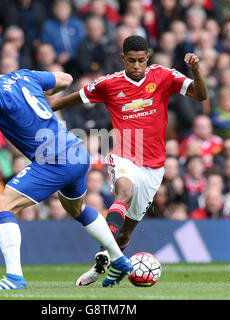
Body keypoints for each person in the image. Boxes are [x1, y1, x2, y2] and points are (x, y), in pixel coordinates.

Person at [0, 55, 132, 289]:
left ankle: (14, 278)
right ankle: (119, 260)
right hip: (77, 151)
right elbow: (66, 78)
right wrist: (47, 91)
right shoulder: (25, 75)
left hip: (54, 160)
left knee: (1, 206)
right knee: (77, 208)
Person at [51, 35, 207, 286]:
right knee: (123, 192)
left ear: (148, 58)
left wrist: (197, 71)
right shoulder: (109, 83)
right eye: (131, 61)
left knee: (126, 232)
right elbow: (77, 97)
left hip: (154, 167)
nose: (136, 66)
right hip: (124, 155)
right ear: (123, 58)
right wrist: (47, 111)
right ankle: (105, 254)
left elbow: (200, 95)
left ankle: (106, 264)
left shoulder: (164, 76)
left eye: (141, 61)